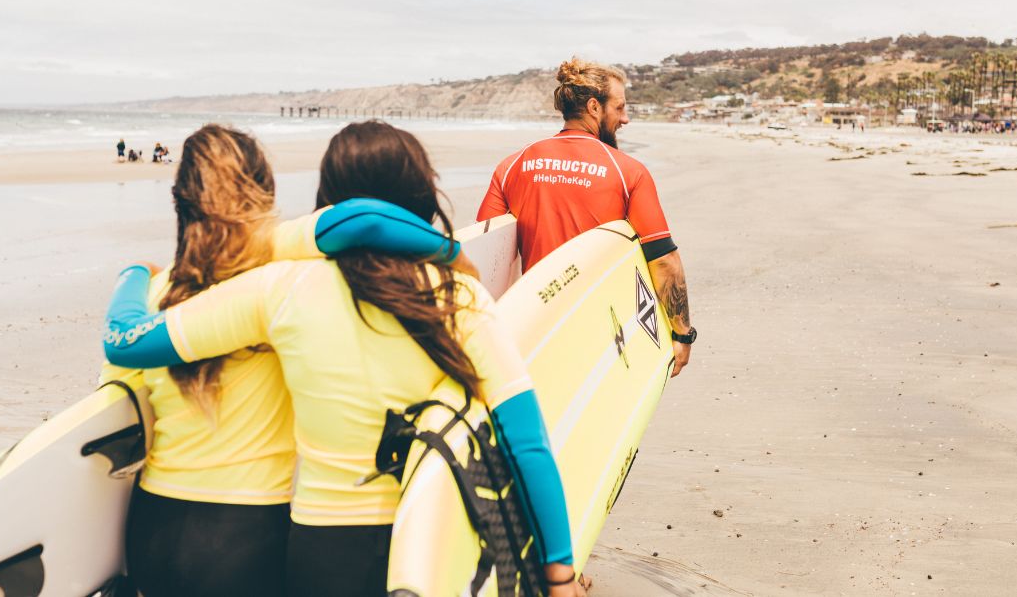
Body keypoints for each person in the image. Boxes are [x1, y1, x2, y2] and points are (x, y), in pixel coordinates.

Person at [104, 121, 582, 597]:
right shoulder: (459, 297)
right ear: (421, 196)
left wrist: (134, 276)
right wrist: (558, 571)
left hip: (316, 548)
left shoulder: (280, 289)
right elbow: (527, 441)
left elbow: (131, 342)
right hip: (425, 540)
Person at [477, 57, 695, 377]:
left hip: (534, 329)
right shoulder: (628, 172)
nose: (626, 118)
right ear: (594, 107)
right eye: (619, 108)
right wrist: (681, 334)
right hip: (603, 335)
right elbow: (664, 260)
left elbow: (488, 256)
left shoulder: (511, 166)